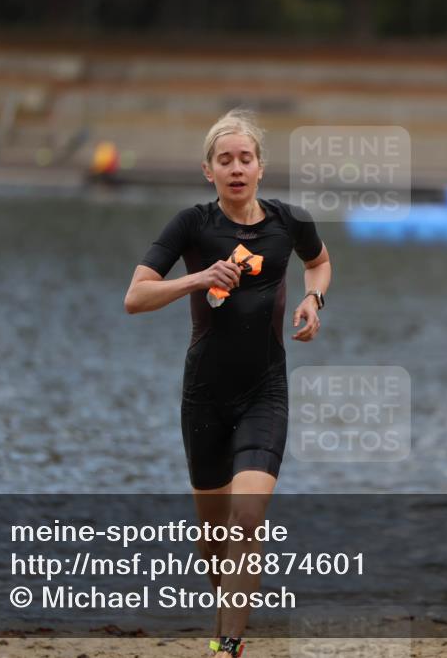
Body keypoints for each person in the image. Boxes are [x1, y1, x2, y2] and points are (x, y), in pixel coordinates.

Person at [124, 109, 331, 657]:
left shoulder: (290, 222)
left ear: (261, 167)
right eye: (225, 160)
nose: (236, 168)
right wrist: (197, 276)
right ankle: (228, 619)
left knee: (247, 519)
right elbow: (135, 297)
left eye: (245, 158)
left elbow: (319, 262)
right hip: (204, 399)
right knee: (214, 538)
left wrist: (314, 298)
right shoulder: (191, 226)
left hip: (266, 391)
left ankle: (227, 647)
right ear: (208, 171)